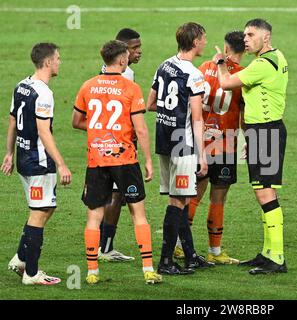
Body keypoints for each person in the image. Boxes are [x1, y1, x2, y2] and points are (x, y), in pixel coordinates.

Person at [72, 40, 162, 284]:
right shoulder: (131, 88)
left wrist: (99, 132)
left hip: (97, 160)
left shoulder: (87, 86)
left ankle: (92, 272)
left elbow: (76, 121)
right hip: (125, 160)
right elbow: (141, 130)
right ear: (122, 60)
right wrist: (148, 161)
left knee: (93, 217)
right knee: (138, 214)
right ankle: (148, 269)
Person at [213, 18, 288, 275]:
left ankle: (277, 257)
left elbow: (225, 83)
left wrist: (221, 63)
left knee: (265, 193)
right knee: (263, 192)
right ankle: (268, 253)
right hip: (262, 131)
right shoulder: (278, 56)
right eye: (245, 35)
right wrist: (250, 137)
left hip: (266, 131)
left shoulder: (262, 65)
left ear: (265, 37)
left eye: (251, 34)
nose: (246, 39)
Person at [146, 22, 214, 275]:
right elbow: (197, 118)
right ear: (195, 42)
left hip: (164, 138)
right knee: (178, 199)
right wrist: (202, 156)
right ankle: (165, 262)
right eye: (204, 38)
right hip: (183, 144)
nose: (205, 42)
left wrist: (171, 113)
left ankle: (190, 255)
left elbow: (151, 103)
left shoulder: (163, 65)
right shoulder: (194, 74)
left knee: (182, 198)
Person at [2, 43, 72, 285]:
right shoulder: (43, 93)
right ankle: (31, 273)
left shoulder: (22, 85)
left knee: (46, 207)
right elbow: (44, 131)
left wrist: (9, 153)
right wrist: (61, 164)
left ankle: (21, 259)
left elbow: (12, 121)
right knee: (39, 213)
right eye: (58, 59)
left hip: (23, 157)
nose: (60, 62)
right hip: (38, 162)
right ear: (48, 62)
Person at [174, 31, 245, 265]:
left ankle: (178, 246)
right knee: (218, 198)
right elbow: (244, 112)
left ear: (225, 48)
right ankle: (215, 251)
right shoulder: (243, 76)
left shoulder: (203, 66)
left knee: (193, 195)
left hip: (201, 140)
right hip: (226, 142)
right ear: (244, 49)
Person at [98, 28, 143, 262]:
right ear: (123, 51)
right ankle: (105, 248)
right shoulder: (125, 76)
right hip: (120, 147)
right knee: (117, 195)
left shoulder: (104, 73)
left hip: (101, 144)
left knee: (108, 195)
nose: (139, 52)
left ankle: (101, 246)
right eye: (135, 48)